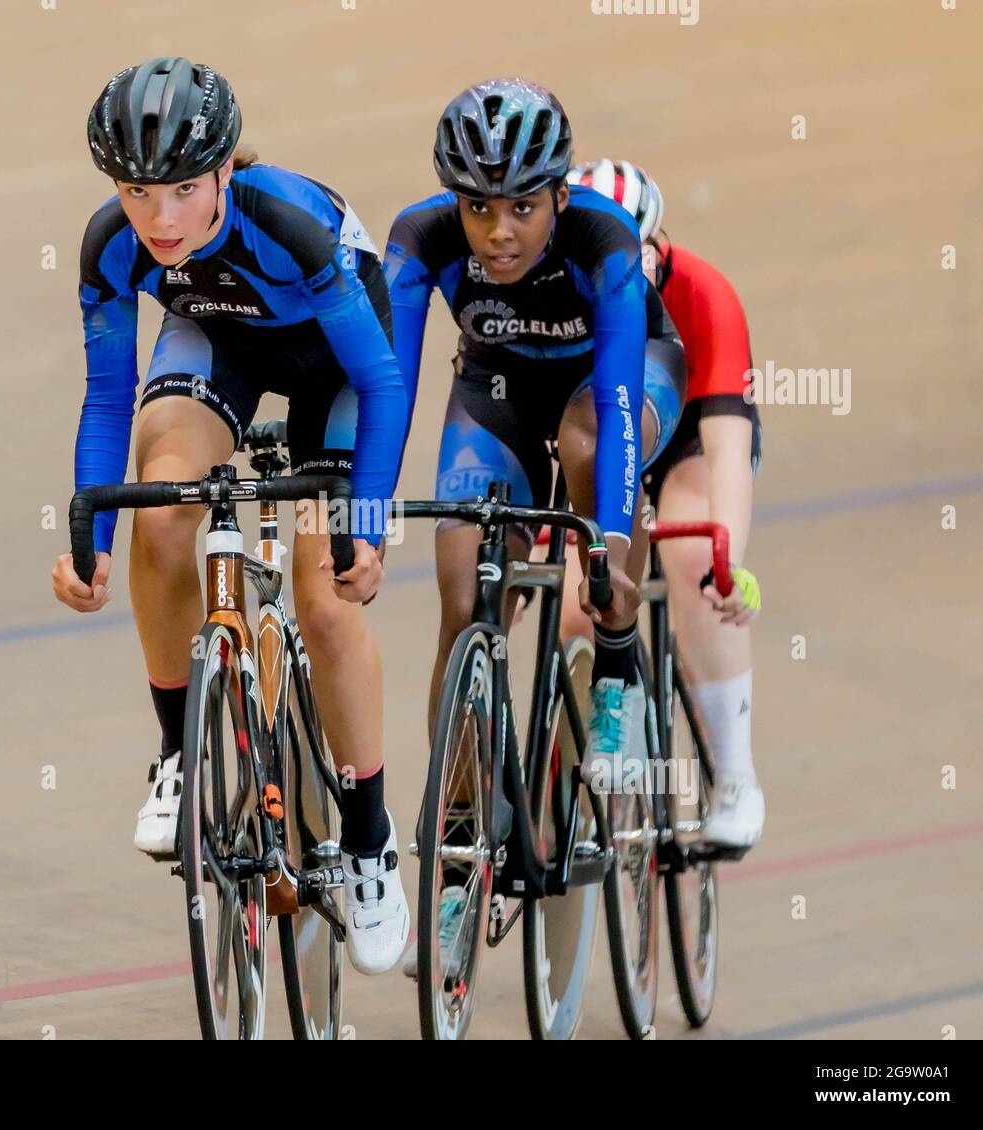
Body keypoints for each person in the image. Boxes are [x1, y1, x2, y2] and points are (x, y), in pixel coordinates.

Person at [50, 57, 410, 973]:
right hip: (221, 341)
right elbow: (107, 398)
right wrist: (89, 541)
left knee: (324, 599)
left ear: (221, 175)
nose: (159, 219)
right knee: (162, 504)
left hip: (335, 368)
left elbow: (378, 377)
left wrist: (363, 524)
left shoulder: (288, 223)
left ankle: (369, 838)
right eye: (136, 191)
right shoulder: (111, 246)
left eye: (181, 191)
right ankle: (178, 754)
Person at [384, 79, 686, 976]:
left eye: (523, 205)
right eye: (478, 207)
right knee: (460, 595)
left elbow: (624, 408)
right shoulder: (421, 238)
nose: (500, 231)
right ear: (452, 203)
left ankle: (619, 669)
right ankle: (458, 849)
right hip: (495, 396)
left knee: (586, 439)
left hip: (616, 387)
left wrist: (603, 548)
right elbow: (391, 391)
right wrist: (365, 507)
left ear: (560, 194)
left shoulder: (605, 239)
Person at [567, 158, 764, 847]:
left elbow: (729, 453)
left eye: (639, 250)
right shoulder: (567, 292)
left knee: (688, 556)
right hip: (604, 429)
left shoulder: (705, 296)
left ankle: (735, 775)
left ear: (661, 243)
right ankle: (571, 770)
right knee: (572, 598)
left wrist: (726, 558)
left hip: (687, 441)